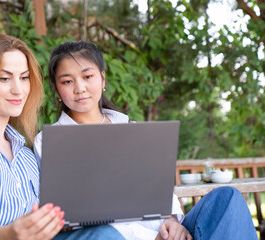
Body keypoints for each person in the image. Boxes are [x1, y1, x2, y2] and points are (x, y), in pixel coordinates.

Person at [33, 40, 258, 240]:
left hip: (164, 231)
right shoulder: (49, 141)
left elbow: (159, 189)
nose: (79, 88)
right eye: (67, 81)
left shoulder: (131, 130)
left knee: (227, 197)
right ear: (56, 88)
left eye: (87, 76)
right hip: (112, 236)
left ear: (102, 79)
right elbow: (79, 216)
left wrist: (171, 221)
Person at [0, 34, 124, 240]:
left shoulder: (24, 154)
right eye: (4, 78)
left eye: (24, 77)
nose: (18, 90)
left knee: (104, 233)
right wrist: (12, 233)